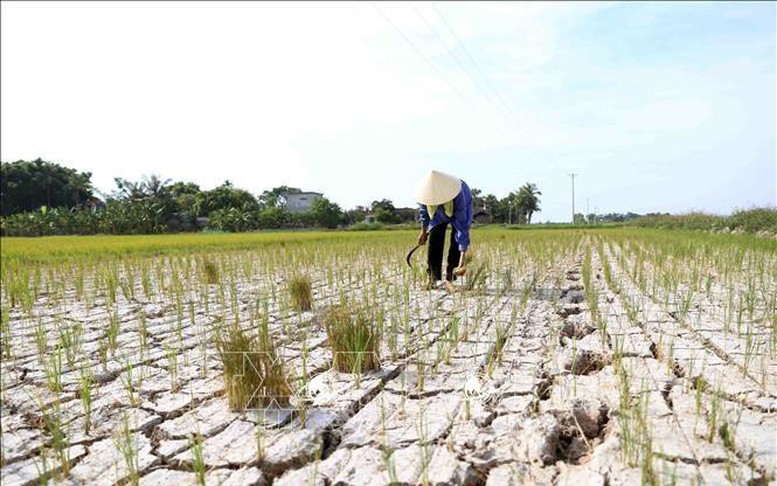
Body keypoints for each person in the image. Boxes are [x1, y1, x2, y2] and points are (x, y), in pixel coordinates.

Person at [415, 170, 473, 292]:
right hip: (437, 214)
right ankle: (432, 278)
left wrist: (462, 252)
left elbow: (461, 225)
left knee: (455, 240)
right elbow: (424, 213)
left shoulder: (458, 193)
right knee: (435, 238)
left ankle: (450, 279)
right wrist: (424, 230)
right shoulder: (426, 194)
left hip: (456, 209)